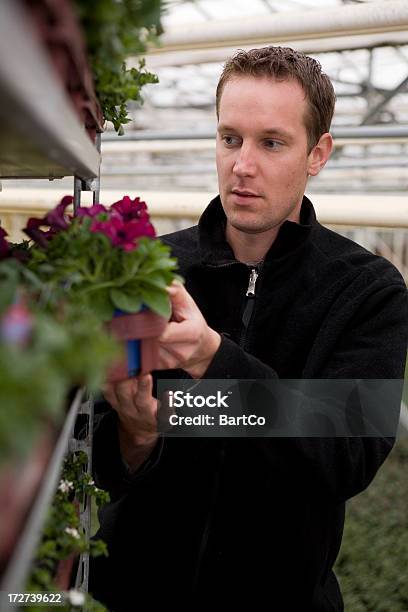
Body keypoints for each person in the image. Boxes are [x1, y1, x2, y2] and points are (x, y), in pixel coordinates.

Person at [90, 46, 408, 610]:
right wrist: (135, 436)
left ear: (317, 153)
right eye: (230, 138)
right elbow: (93, 440)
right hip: (132, 592)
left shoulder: (368, 290)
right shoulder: (152, 267)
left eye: (272, 142)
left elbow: (348, 453)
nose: (242, 164)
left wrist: (212, 364)